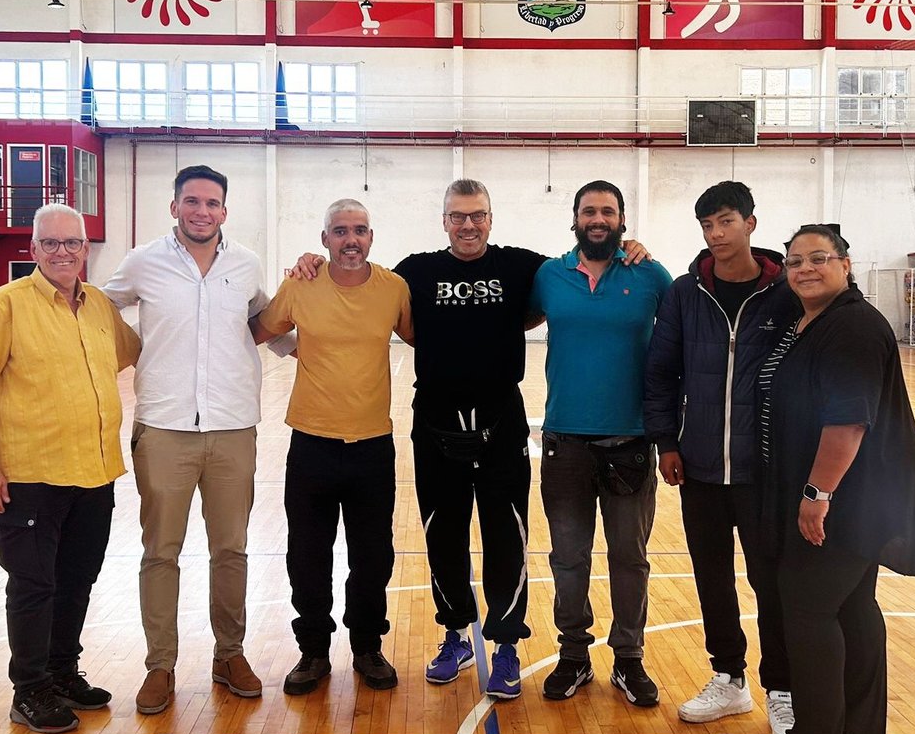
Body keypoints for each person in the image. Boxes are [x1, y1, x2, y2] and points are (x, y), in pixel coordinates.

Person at [288, 181, 651, 702]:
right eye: (457, 217)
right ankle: (455, 633)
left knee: (507, 535)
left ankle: (505, 644)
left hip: (501, 422)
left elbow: (581, 269)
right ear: (443, 222)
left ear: (490, 218)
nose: (468, 225)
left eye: (477, 216)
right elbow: (357, 277)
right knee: (443, 533)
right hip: (435, 423)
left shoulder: (525, 267)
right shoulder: (414, 271)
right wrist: (312, 262)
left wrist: (626, 247)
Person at [757, 224, 915, 734]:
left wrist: (817, 493)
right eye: (794, 262)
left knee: (808, 607)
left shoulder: (853, 326)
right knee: (853, 606)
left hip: (846, 496)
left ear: (846, 264)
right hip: (857, 495)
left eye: (818, 259)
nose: (805, 269)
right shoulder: (813, 321)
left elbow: (846, 422)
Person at [0, 203, 141, 734]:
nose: (63, 252)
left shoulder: (100, 306)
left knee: (76, 581)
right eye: (52, 244)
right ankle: (30, 689)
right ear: (33, 250)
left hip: (95, 473)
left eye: (73, 243)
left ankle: (62, 672)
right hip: (30, 477)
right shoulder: (5, 305)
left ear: (86, 250)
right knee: (33, 586)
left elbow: (131, 354)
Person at [101, 165, 271, 715]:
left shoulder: (245, 266)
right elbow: (99, 309)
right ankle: (161, 666)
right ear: (174, 206)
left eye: (213, 203)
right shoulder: (142, 262)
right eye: (192, 201)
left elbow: (266, 321)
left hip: (232, 427)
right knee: (161, 552)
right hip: (164, 428)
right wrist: (131, 348)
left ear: (226, 210)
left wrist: (322, 342)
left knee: (231, 550)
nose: (202, 211)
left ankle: (230, 653)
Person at [645, 180, 800, 733]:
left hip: (764, 471)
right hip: (701, 467)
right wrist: (666, 442)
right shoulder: (686, 292)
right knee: (712, 578)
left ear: (751, 224)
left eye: (726, 222)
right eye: (708, 226)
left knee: (770, 581)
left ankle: (782, 689)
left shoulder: (786, 293)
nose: (716, 234)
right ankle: (729, 680)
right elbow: (661, 374)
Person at [253, 199, 414, 694]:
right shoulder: (300, 284)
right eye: (340, 231)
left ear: (371, 237)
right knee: (308, 554)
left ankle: (367, 647)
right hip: (311, 443)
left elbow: (423, 338)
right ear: (324, 240)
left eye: (360, 230)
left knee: (372, 555)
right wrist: (298, 347)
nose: (351, 239)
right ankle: (313, 652)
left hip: (371, 445)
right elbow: (261, 330)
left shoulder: (394, 289)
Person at [532, 180, 673, 705]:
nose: (598, 219)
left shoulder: (650, 275)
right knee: (568, 558)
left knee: (629, 558)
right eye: (589, 210)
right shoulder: (548, 276)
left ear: (622, 220)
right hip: (564, 443)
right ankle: (573, 657)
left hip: (630, 443)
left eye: (607, 211)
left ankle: (629, 659)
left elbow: (682, 337)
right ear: (574, 219)